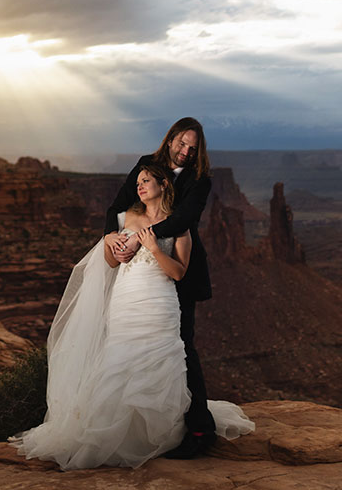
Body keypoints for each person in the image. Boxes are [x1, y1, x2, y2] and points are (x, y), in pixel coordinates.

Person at [14, 161, 252, 469]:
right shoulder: (126, 217)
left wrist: (154, 249)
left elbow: (178, 273)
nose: (139, 186)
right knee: (120, 359)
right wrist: (109, 243)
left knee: (160, 358)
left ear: (163, 185)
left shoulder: (179, 226)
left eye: (146, 181)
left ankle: (160, 434)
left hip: (160, 301)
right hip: (126, 300)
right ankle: (117, 433)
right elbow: (112, 264)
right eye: (137, 182)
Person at [104, 117, 217, 459]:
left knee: (182, 347)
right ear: (170, 140)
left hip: (176, 266)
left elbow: (183, 221)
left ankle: (200, 429)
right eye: (182, 143)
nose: (186, 152)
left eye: (193, 148)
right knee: (136, 347)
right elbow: (117, 207)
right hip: (138, 279)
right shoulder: (145, 167)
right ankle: (144, 426)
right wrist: (112, 236)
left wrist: (141, 241)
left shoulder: (200, 180)